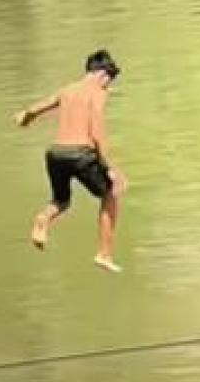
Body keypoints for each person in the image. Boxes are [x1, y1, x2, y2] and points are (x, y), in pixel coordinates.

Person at [13, 49, 127, 272]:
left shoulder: (67, 90)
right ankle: (104, 254)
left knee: (61, 201)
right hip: (81, 154)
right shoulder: (97, 92)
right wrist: (111, 168)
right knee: (111, 193)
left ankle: (42, 220)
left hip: (56, 153)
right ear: (102, 74)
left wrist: (25, 116)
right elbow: (96, 131)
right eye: (108, 81)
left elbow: (38, 108)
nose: (107, 86)